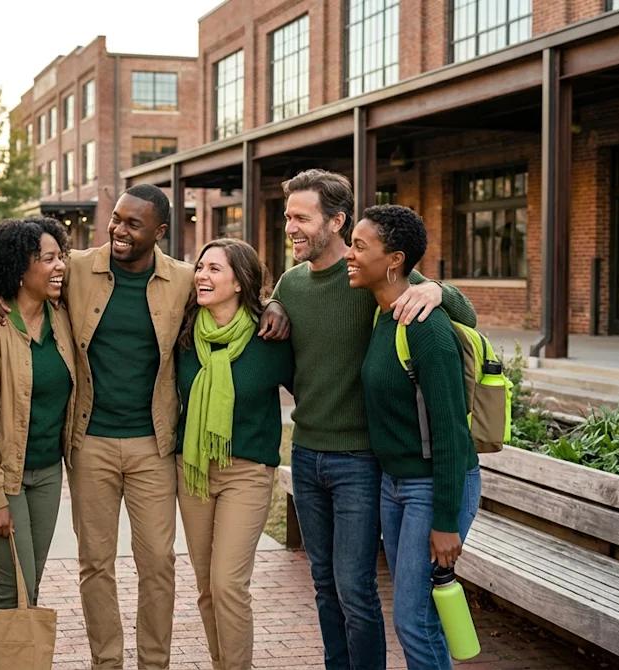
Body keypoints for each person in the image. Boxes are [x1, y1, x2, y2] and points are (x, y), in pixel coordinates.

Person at [0, 184, 290, 670]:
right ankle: (107, 663)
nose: (118, 230)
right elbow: (12, 268)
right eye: (116, 219)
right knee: (95, 565)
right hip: (90, 443)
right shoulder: (77, 268)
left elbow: (236, 290)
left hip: (155, 446)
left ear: (160, 232)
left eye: (132, 223)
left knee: (158, 566)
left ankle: (154, 663)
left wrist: (274, 305)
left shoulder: (185, 280)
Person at [269, 169, 477, 670]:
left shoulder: (377, 279)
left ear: (335, 221)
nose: (290, 227)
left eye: (302, 217)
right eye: (287, 217)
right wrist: (271, 304)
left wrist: (439, 292)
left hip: (364, 461)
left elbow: (456, 309)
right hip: (311, 454)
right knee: (325, 585)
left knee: (358, 591)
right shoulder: (293, 284)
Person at [346, 205, 481, 670]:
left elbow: (450, 433)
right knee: (420, 618)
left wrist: (445, 520)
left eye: (360, 246)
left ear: (395, 260)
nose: (350, 253)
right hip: (394, 484)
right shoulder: (385, 313)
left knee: (413, 621)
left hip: (431, 488)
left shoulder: (425, 328)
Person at [174, 238, 293, 670]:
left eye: (214, 269)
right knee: (206, 586)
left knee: (228, 584)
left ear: (240, 282)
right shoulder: (185, 333)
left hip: (247, 472)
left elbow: (312, 392)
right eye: (200, 267)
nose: (201, 276)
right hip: (193, 473)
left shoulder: (271, 336)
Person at [0, 216, 75, 609]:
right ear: (19, 267)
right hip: (1, 476)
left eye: (62, 257)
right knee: (15, 588)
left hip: (46, 474)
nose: (60, 266)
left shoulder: (62, 318)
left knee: (30, 586)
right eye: (48, 258)